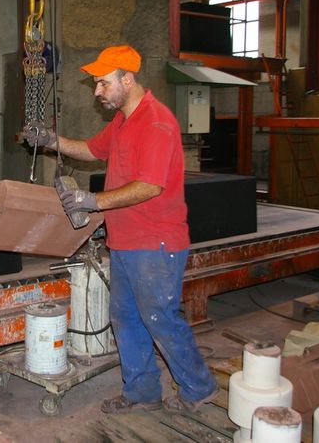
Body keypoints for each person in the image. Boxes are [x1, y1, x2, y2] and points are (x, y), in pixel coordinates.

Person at [24, 45, 217, 415]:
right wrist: (50, 140)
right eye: (97, 83)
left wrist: (91, 201)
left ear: (127, 79)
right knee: (126, 319)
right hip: (126, 242)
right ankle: (143, 392)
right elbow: (91, 150)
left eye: (103, 83)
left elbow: (151, 186)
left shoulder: (156, 123)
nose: (97, 91)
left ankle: (198, 388)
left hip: (156, 243)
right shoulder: (124, 121)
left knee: (160, 318)